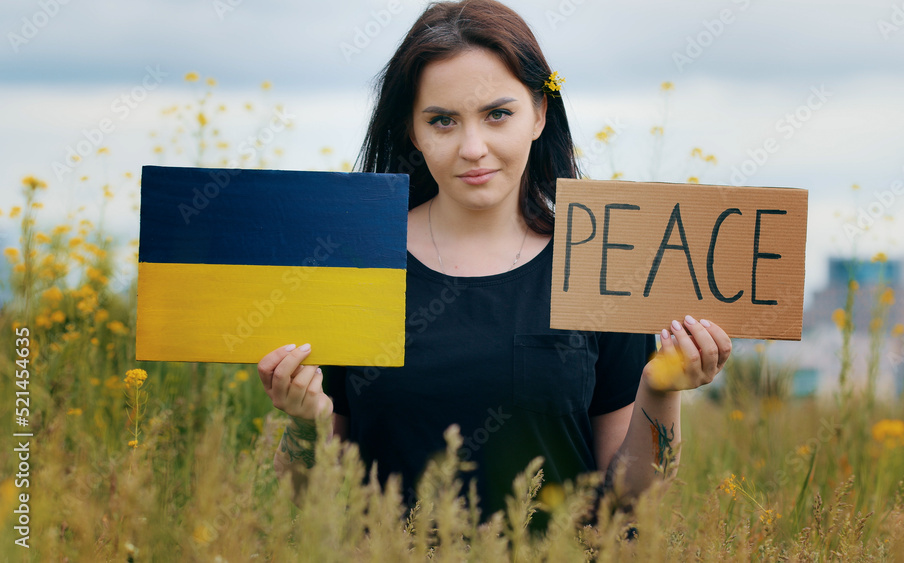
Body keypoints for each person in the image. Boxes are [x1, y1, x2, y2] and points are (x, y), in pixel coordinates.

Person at [256, 0, 731, 518]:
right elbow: (310, 501)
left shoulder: (599, 264)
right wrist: (305, 424)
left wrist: (661, 390)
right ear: (412, 131)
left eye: (497, 114)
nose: (473, 147)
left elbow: (633, 497)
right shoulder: (358, 266)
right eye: (443, 121)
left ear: (540, 114)